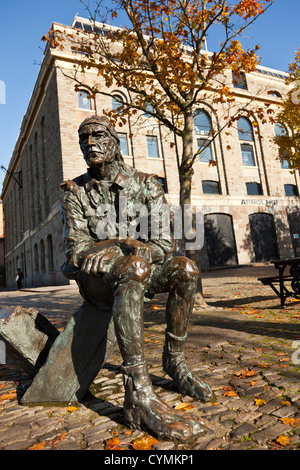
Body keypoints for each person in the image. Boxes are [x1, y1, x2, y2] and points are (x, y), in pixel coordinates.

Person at [60, 115, 214, 441]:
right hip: (96, 281)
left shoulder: (145, 185)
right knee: (134, 268)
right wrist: (120, 244)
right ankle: (139, 393)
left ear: (114, 142)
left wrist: (131, 247)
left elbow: (161, 244)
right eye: (83, 138)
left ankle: (174, 362)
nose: (90, 143)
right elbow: (76, 251)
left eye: (98, 136)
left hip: (142, 269)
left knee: (185, 268)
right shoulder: (76, 193)